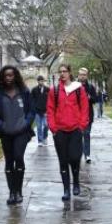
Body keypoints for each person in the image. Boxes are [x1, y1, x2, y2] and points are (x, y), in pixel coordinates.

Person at [0, 65, 34, 206]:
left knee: (18, 157)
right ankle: (12, 192)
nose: (9, 78)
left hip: (21, 132)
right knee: (9, 160)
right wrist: (1, 126)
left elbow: (31, 111)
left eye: (11, 75)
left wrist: (25, 124)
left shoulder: (24, 92)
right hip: (6, 132)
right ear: (3, 77)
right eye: (6, 75)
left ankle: (19, 191)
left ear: (16, 76)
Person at [47, 63, 90, 201]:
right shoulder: (54, 90)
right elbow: (50, 110)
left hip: (75, 130)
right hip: (59, 131)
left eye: (65, 71)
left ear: (70, 73)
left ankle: (76, 182)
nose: (62, 74)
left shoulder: (79, 89)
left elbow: (85, 108)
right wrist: (53, 128)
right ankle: (66, 189)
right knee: (63, 160)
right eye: (60, 71)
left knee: (75, 158)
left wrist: (82, 126)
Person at [77, 67, 98, 163]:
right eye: (81, 74)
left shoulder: (90, 87)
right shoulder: (74, 86)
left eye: (84, 75)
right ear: (78, 75)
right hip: (76, 115)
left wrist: (89, 97)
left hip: (88, 115)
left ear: (87, 76)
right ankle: (77, 154)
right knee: (77, 136)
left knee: (86, 134)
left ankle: (87, 155)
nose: (82, 76)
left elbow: (95, 99)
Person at [30, 75, 49, 146]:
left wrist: (48, 110)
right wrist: (34, 108)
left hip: (45, 111)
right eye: (40, 80)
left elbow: (50, 100)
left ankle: (45, 137)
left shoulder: (47, 89)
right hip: (37, 111)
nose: (41, 82)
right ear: (37, 81)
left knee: (46, 125)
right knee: (38, 127)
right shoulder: (34, 90)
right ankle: (40, 141)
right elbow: (31, 100)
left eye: (42, 80)